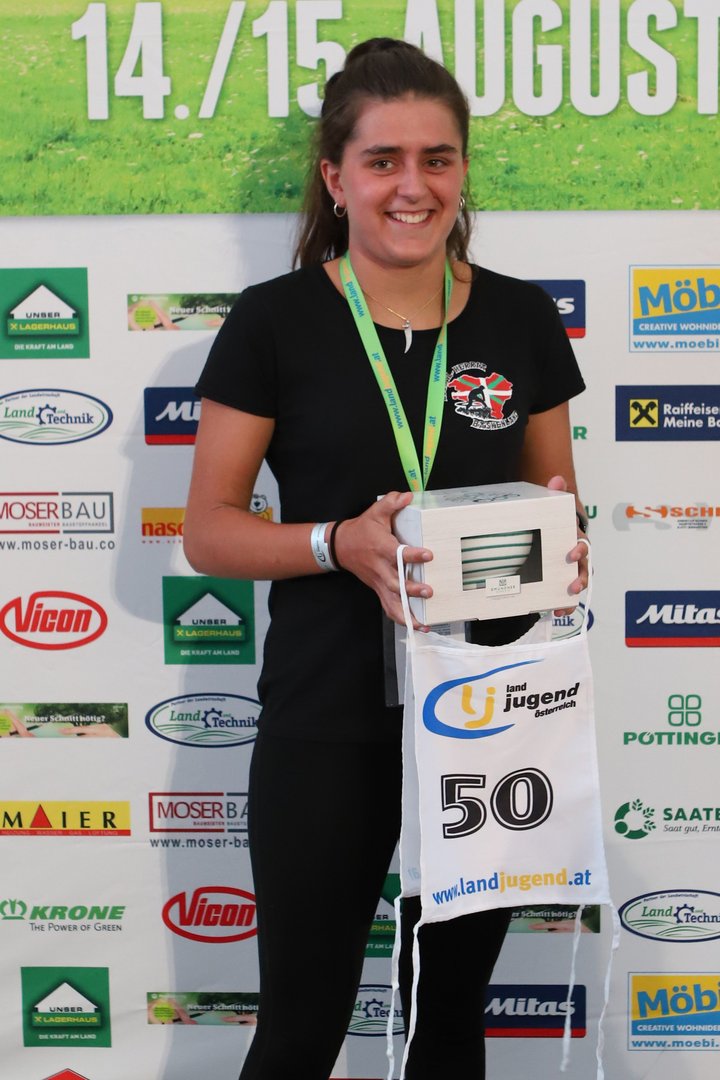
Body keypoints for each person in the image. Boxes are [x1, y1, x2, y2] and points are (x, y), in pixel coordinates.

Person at [184, 37, 589, 1080]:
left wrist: (562, 550)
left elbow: (558, 503)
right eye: (383, 160)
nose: (414, 186)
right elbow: (209, 529)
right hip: (327, 717)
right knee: (300, 1031)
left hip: (489, 717)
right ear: (336, 177)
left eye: (437, 159)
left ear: (462, 171)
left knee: (448, 1027)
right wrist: (336, 542)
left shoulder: (521, 317)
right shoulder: (276, 321)